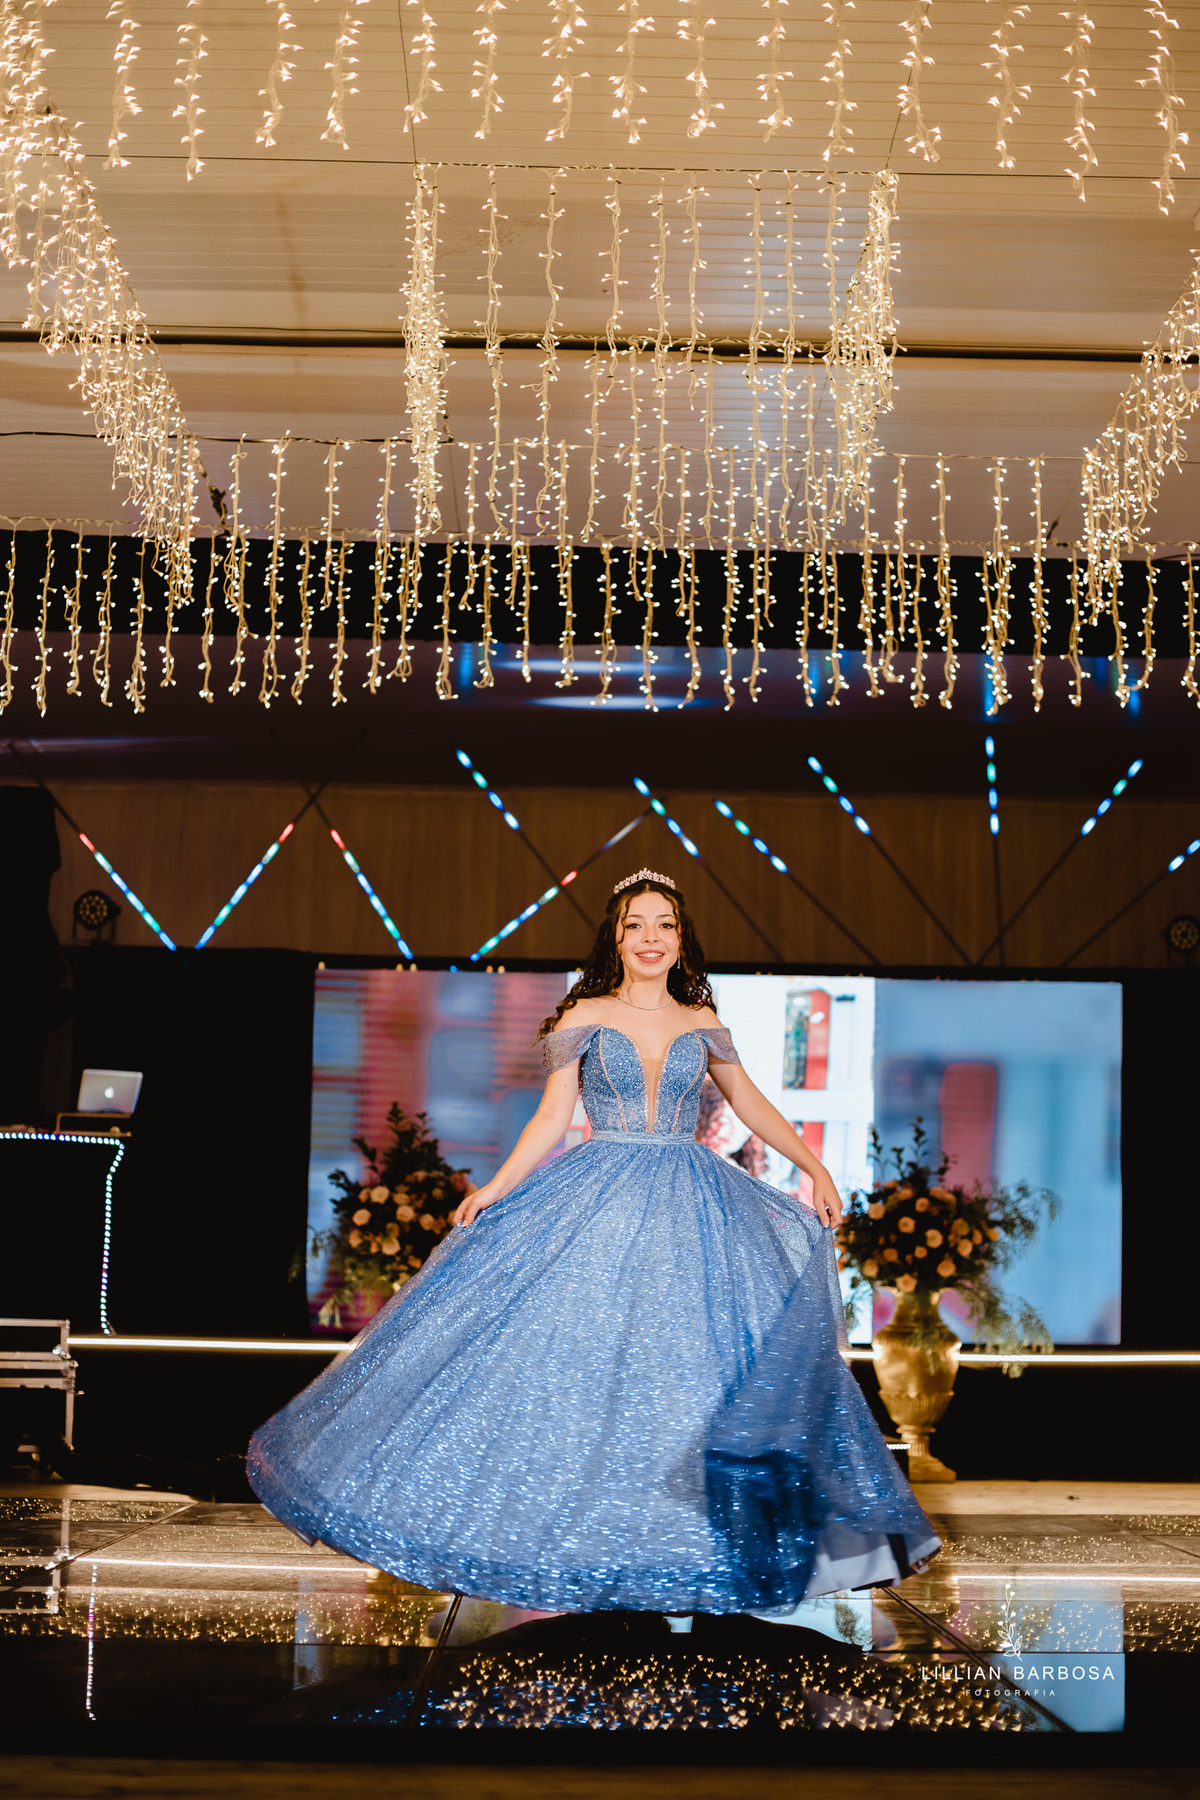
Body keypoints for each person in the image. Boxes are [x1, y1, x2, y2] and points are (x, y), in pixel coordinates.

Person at [247, 871, 939, 1617]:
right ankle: (585, 1544)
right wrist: (496, 1189)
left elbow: (747, 1100)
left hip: (691, 1203)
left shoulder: (700, 1017)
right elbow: (551, 1120)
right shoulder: (584, 1011)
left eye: (664, 924)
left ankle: (689, 1552)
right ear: (616, 936)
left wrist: (813, 1165)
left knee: (690, 1375)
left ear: (681, 937)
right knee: (585, 1367)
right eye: (636, 924)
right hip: (597, 1190)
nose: (650, 937)